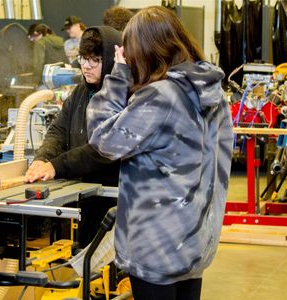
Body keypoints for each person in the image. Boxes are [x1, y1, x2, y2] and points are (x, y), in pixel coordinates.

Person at [87, 6, 233, 300]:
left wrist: (117, 77)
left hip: (157, 248)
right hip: (193, 242)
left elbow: (103, 139)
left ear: (145, 51)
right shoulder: (214, 95)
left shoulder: (161, 97)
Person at [25, 26, 122, 247]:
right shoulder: (80, 92)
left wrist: (55, 166)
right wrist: (42, 159)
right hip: (83, 195)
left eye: (94, 60)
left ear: (108, 60)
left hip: (111, 198)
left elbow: (101, 151)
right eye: (83, 59)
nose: (85, 66)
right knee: (85, 264)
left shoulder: (120, 97)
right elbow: (58, 131)